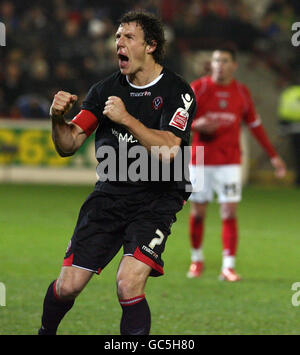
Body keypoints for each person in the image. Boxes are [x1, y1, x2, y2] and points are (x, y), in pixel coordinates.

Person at [38, 10, 196, 335]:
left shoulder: (177, 91)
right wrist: (56, 119)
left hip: (157, 199)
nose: (118, 44)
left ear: (150, 45)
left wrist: (126, 120)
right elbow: (67, 144)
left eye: (128, 37)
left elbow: (168, 149)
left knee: (128, 283)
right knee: (67, 286)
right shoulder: (103, 91)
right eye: (117, 37)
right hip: (109, 196)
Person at [187, 46, 286, 281]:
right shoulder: (198, 88)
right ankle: (196, 259)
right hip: (200, 160)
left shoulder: (241, 92)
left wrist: (273, 155)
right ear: (211, 64)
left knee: (229, 211)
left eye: (224, 60)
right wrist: (196, 126)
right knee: (198, 212)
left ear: (234, 65)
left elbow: (255, 126)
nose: (219, 65)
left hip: (230, 161)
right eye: (216, 60)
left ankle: (228, 266)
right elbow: (178, 121)